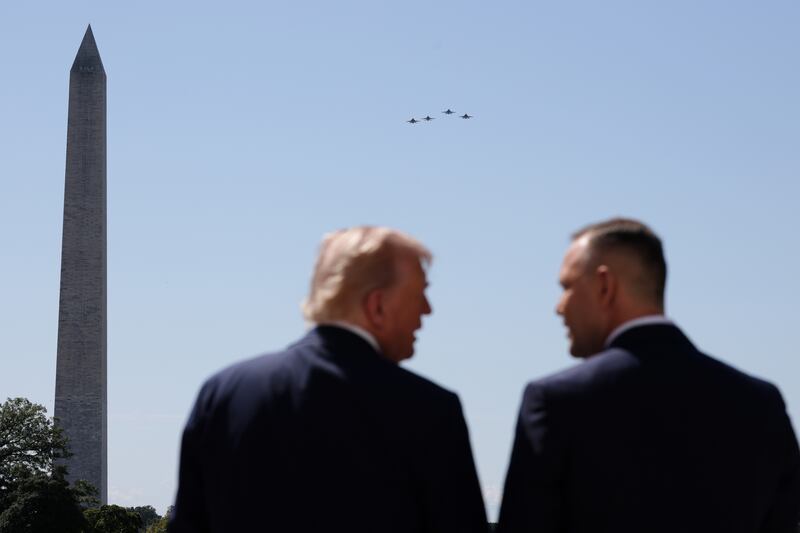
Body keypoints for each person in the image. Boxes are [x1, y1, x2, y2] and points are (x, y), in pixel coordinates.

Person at [169, 226, 487, 533]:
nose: (427, 310)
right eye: (420, 294)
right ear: (377, 306)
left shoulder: (223, 393)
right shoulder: (430, 411)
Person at [497, 218, 800, 533]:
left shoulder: (556, 401)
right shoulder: (761, 403)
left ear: (605, 286)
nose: (559, 307)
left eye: (567, 286)